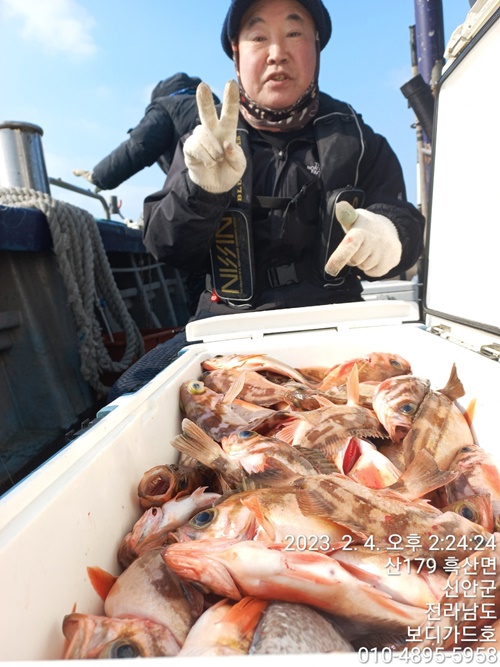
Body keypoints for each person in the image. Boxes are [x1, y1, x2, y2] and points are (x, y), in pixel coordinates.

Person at [107, 0, 425, 401]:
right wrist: (201, 190)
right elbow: (164, 244)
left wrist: (387, 234)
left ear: (316, 45)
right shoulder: (204, 142)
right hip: (226, 330)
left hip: (336, 321)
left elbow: (402, 217)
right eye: (259, 37)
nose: (277, 53)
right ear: (236, 54)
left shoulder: (359, 140)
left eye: (294, 33)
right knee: (126, 394)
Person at [72, 72, 221, 192]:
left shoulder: (166, 107)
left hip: (202, 191)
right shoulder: (218, 109)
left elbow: (140, 145)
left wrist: (100, 176)